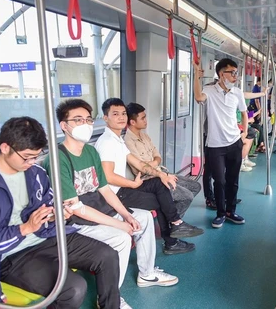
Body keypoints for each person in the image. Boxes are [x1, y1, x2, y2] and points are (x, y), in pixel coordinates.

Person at [0, 117, 121, 309]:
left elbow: (48, 206)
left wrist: (56, 215)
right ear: (5, 148)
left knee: (107, 255)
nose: (32, 162)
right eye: (27, 157)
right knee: (73, 289)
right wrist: (24, 229)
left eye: (36, 156)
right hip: (11, 255)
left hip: (46, 237)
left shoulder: (36, 174)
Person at [43, 99, 180, 308]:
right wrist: (120, 225)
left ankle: (147, 273)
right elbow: (76, 207)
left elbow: (104, 189)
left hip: (98, 208)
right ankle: (109, 295)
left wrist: (126, 215)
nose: (85, 124)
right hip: (76, 221)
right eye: (77, 120)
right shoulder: (58, 158)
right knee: (121, 238)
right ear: (64, 126)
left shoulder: (90, 152)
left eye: (88, 119)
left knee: (141, 218)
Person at [93, 98, 202, 255]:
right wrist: (132, 185)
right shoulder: (107, 142)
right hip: (115, 194)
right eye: (115, 114)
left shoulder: (117, 140)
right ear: (105, 118)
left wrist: (161, 174)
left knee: (160, 183)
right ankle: (172, 238)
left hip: (126, 187)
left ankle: (176, 225)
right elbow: (107, 176)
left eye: (123, 113)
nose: (121, 117)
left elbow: (137, 162)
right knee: (162, 199)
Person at [193, 57, 247, 228]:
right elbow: (198, 97)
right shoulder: (209, 90)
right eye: (232, 73)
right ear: (221, 74)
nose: (235, 77)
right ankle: (221, 213)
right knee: (220, 181)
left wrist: (244, 132)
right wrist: (196, 77)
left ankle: (231, 211)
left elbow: (244, 113)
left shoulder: (237, 92)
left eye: (236, 73)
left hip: (234, 142)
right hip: (215, 145)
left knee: (233, 180)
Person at [124, 102, 201, 218]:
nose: (146, 120)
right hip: (149, 179)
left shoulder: (145, 136)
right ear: (132, 122)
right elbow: (139, 169)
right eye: (143, 118)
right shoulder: (128, 141)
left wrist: (154, 164)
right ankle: (173, 223)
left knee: (196, 186)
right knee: (187, 196)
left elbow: (158, 156)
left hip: (161, 172)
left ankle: (170, 214)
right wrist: (155, 165)